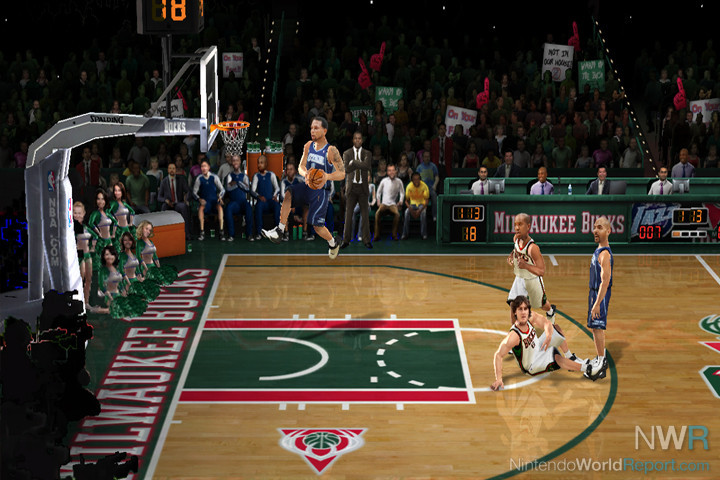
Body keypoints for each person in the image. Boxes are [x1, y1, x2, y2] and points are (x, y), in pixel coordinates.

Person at [262, 117, 346, 260]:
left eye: (316, 128)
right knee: (288, 193)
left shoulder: (331, 151)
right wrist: (306, 174)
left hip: (321, 191)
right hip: (308, 185)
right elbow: (301, 166)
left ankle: (333, 243)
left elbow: (342, 174)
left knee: (317, 227)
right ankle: (280, 231)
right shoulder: (308, 146)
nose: (312, 131)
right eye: (311, 128)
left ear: (324, 131)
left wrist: (326, 176)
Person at [490, 296, 588, 391]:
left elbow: (546, 323)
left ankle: (570, 357)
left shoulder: (531, 317)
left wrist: (548, 335)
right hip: (531, 365)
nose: (523, 312)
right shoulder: (514, 336)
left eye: (525, 309)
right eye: (520, 309)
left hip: (538, 348)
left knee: (556, 328)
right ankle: (588, 369)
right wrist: (499, 379)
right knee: (556, 357)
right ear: (515, 312)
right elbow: (498, 355)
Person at [506, 213, 558, 326]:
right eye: (515, 225)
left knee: (542, 305)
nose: (517, 228)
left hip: (532, 280)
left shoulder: (532, 248)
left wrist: (526, 266)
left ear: (528, 226)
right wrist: (511, 256)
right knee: (513, 304)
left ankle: (551, 311)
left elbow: (541, 271)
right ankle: (515, 331)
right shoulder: (516, 239)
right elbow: (515, 250)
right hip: (520, 278)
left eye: (520, 224)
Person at [585, 217, 613, 381]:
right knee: (594, 327)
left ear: (608, 231)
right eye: (595, 227)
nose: (595, 230)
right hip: (594, 292)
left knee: (597, 326)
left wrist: (597, 304)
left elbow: (605, 281)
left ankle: (601, 362)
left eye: (600, 227)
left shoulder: (604, 254)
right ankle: (600, 356)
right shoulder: (599, 249)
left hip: (599, 294)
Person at [341, 131, 372, 249]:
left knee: (365, 215)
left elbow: (366, 166)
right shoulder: (347, 153)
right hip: (352, 187)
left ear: (362, 140)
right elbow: (346, 169)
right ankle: (346, 240)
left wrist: (353, 162)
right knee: (348, 215)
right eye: (356, 138)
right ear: (353, 140)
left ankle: (366, 240)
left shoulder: (367, 153)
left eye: (359, 138)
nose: (358, 140)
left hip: (363, 187)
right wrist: (360, 164)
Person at [224, 154, 255, 242]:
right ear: (231, 162)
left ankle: (249, 234)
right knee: (228, 209)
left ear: (240, 161)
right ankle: (231, 235)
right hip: (234, 202)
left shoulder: (244, 176)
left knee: (249, 208)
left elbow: (247, 189)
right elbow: (228, 189)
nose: (235, 162)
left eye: (237, 160)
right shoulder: (230, 176)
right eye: (233, 160)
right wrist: (241, 184)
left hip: (243, 202)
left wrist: (237, 183)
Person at [157, 162, 192, 240]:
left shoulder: (181, 179)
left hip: (178, 202)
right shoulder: (164, 181)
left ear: (176, 170)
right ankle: (163, 233)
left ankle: (187, 234)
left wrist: (186, 199)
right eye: (170, 168)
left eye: (173, 168)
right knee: (163, 207)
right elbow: (159, 197)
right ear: (167, 170)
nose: (172, 170)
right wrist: (165, 200)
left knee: (184, 207)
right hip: (168, 203)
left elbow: (188, 191)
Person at [193, 158, 225, 241]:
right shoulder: (199, 178)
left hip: (214, 202)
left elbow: (222, 190)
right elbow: (194, 193)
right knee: (201, 209)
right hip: (205, 203)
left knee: (220, 208)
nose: (203, 168)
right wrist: (199, 199)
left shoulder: (214, 177)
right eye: (202, 166)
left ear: (209, 167)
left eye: (205, 166)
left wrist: (220, 196)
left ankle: (221, 232)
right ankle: (202, 232)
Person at [252, 155, 281, 240]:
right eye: (258, 163)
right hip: (262, 202)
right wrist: (258, 196)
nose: (259, 165)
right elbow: (253, 190)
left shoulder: (271, 174)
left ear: (266, 164)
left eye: (261, 163)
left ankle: (278, 232)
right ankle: (259, 233)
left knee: (277, 206)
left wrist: (275, 195)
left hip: (271, 200)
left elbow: (277, 188)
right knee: (258, 207)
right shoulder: (256, 176)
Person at [374, 163, 405, 241]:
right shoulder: (384, 181)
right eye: (389, 170)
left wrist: (400, 201)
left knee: (397, 214)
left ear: (396, 171)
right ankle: (376, 236)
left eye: (393, 170)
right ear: (387, 172)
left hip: (393, 204)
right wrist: (378, 201)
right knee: (377, 214)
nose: (391, 172)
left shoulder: (399, 181)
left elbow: (402, 193)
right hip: (384, 204)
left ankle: (394, 235)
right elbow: (378, 192)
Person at [72, 201, 94, 308]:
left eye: (79, 213)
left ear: (84, 213)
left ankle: (86, 302)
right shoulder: (71, 229)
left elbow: (95, 236)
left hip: (88, 255)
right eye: (75, 213)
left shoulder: (86, 227)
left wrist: (93, 247)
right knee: (80, 280)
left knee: (89, 280)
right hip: (79, 256)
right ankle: (77, 303)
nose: (77, 215)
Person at [402, 172, 429, 240]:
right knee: (406, 212)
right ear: (412, 180)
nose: (416, 181)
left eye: (418, 179)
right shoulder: (409, 186)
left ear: (420, 179)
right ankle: (405, 234)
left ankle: (424, 234)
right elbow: (406, 201)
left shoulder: (424, 186)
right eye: (415, 179)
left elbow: (427, 201)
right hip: (412, 204)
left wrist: (420, 210)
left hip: (421, 204)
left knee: (423, 213)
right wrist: (410, 209)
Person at [415, 151, 439, 222]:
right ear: (422, 158)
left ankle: (435, 216)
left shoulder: (433, 166)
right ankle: (421, 215)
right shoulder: (419, 167)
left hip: (431, 188)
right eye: (425, 157)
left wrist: (435, 185)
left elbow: (437, 177)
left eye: (428, 156)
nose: (427, 158)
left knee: (434, 196)